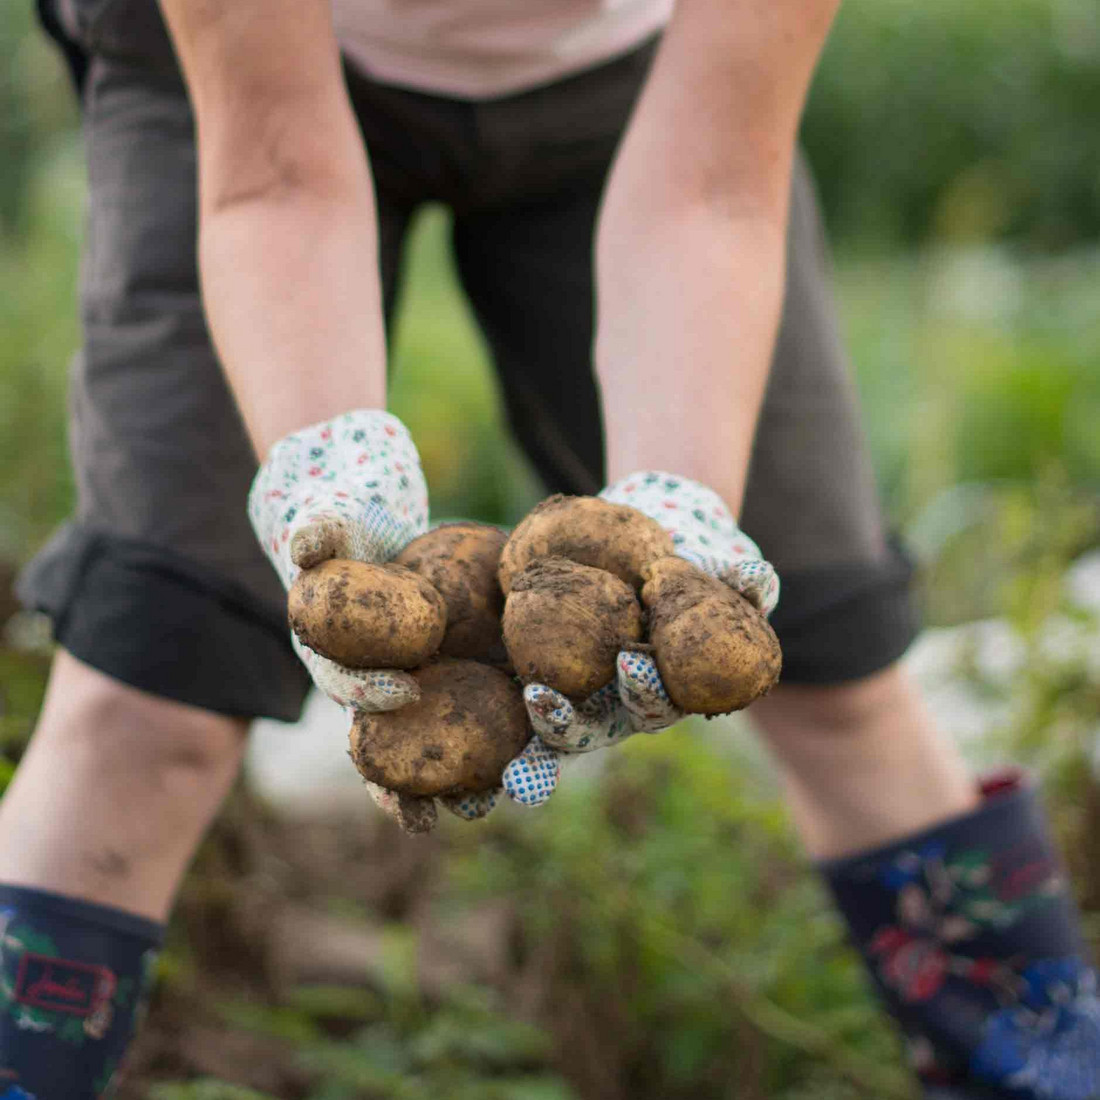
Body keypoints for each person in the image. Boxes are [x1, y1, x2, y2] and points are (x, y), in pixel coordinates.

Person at [1, 0, 1096, 1096]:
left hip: (639, 89)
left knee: (830, 663)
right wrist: (321, 466)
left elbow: (710, 192)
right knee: (147, 689)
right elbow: (274, 175)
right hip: (253, 99)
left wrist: (677, 517)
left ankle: (1041, 1066)